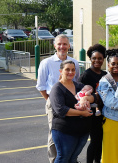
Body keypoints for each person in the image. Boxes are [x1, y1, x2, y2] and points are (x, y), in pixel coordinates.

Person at [36, 34, 79, 163]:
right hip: (54, 103)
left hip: (71, 103)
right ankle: (55, 160)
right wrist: (51, 101)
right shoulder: (46, 63)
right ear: (55, 46)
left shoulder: (74, 62)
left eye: (65, 44)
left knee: (70, 132)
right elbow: (41, 86)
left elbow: (76, 83)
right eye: (59, 44)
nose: (62, 47)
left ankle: (70, 159)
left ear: (69, 46)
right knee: (54, 134)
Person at [49, 60, 95, 163]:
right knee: (63, 158)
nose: (71, 72)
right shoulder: (57, 89)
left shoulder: (78, 86)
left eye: (73, 70)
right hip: (65, 131)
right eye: (67, 69)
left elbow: (94, 97)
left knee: (73, 159)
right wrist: (82, 113)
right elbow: (61, 110)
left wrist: (85, 98)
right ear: (61, 71)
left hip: (83, 130)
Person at [79, 44, 107, 163]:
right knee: (95, 140)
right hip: (91, 113)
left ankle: (97, 160)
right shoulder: (86, 75)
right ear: (90, 58)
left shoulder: (105, 75)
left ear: (103, 59)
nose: (97, 60)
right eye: (94, 58)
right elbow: (79, 94)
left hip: (103, 112)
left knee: (100, 140)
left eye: (100, 58)